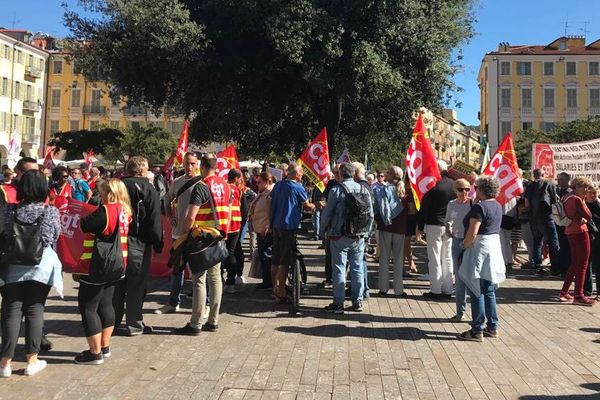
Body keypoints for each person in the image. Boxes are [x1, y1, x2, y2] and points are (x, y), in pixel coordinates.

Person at [0, 170, 62, 377]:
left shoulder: (9, 210)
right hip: (41, 267)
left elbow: (4, 234)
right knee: (35, 311)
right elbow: (54, 236)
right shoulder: (50, 211)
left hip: (12, 266)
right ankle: (31, 361)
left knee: (11, 312)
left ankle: (4, 364)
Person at [173, 154, 230, 335]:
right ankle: (213, 321)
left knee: (199, 279)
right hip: (218, 236)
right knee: (216, 278)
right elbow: (228, 212)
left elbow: (190, 216)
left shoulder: (202, 186)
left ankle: (196, 323)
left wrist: (184, 235)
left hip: (201, 238)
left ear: (202, 166)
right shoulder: (225, 185)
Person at [75, 178, 131, 364]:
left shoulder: (106, 211)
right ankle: (105, 346)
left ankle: (94, 352)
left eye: (102, 192)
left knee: (88, 307)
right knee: (106, 304)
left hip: (99, 265)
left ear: (109, 192)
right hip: (118, 264)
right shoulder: (125, 211)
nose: (100, 195)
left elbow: (85, 225)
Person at [114, 157, 163, 335]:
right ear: (142, 170)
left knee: (117, 282)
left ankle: (111, 321)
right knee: (136, 284)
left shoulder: (116, 186)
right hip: (138, 242)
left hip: (116, 241)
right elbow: (154, 220)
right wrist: (158, 244)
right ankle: (134, 323)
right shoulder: (148, 189)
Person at [458, 176, 505, 342]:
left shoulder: (480, 207)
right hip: (493, 246)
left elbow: (472, 232)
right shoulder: (498, 205)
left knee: (475, 287)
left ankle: (477, 329)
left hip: (480, 248)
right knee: (489, 288)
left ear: (481, 190)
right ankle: (492, 327)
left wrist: (464, 245)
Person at [320, 163, 373, 313]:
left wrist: (322, 230)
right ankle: (357, 302)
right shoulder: (364, 189)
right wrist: (367, 233)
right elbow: (370, 214)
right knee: (357, 269)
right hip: (358, 235)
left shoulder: (337, 190)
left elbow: (327, 214)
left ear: (341, 175)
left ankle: (338, 303)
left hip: (338, 235)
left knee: (339, 269)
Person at [155, 152, 200, 314]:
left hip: (197, 235)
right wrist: (170, 216)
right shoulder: (178, 182)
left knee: (198, 271)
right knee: (177, 269)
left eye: (193, 163)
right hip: (178, 234)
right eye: (187, 163)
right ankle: (174, 302)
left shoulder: (202, 183)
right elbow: (167, 199)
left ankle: (204, 305)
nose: (189, 167)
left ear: (197, 164)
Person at [269, 163, 315, 302]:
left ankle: (274, 289)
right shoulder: (297, 187)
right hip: (288, 226)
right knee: (285, 260)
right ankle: (281, 291)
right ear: (296, 174)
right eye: (301, 173)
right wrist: (315, 206)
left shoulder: (278, 185)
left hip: (275, 224)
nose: (302, 176)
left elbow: (271, 202)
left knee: (275, 258)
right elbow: (306, 205)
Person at [419, 160, 456, 299]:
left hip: (434, 223)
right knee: (447, 258)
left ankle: (435, 289)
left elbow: (425, 206)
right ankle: (448, 289)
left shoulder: (433, 184)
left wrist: (420, 225)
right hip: (449, 224)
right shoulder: (454, 184)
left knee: (434, 258)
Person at [559, 176, 595, 306]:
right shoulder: (577, 200)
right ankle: (579, 295)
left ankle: (564, 291)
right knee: (583, 264)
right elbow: (588, 215)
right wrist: (584, 201)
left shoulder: (566, 197)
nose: (587, 190)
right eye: (585, 187)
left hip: (569, 232)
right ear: (578, 186)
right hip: (580, 232)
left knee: (574, 264)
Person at [373, 166, 407, 297]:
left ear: (392, 175)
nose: (386, 174)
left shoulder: (383, 189)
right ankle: (399, 290)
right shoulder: (405, 191)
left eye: (388, 172)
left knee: (384, 257)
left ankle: (383, 288)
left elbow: (377, 208)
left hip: (385, 226)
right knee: (398, 259)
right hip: (400, 227)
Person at [445, 179, 473, 322]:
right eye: (461, 189)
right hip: (456, 242)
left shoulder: (473, 204)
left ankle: (476, 315)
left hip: (470, 243)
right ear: (455, 190)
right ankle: (460, 312)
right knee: (460, 278)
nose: (465, 192)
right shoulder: (451, 204)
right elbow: (448, 220)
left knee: (472, 278)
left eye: (467, 189)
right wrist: (448, 229)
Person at [524, 168, 561, 275]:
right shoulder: (549, 183)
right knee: (553, 242)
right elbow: (554, 200)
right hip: (546, 217)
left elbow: (526, 203)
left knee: (537, 242)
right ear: (543, 174)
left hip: (533, 218)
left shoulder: (529, 186)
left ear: (534, 175)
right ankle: (555, 268)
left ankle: (537, 267)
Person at [249, 172, 275, 290]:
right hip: (259, 227)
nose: (257, 184)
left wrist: (268, 225)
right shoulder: (262, 193)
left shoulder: (270, 193)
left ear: (266, 182)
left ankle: (268, 282)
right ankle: (266, 279)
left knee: (266, 255)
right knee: (263, 254)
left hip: (265, 228)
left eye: (259, 182)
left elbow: (270, 211)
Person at [353, 162, 374, 298]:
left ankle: (362, 290)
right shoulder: (368, 186)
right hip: (366, 227)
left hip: (360, 229)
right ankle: (363, 289)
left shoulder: (360, 187)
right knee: (361, 259)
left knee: (359, 261)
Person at [224, 168, 244, 293]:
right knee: (232, 252)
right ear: (236, 178)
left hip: (225, 223)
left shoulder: (224, 188)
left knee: (227, 252)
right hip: (235, 224)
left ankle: (228, 281)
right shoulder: (238, 190)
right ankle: (230, 282)